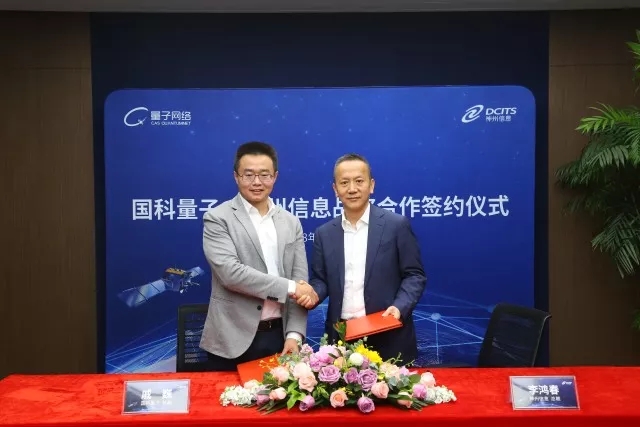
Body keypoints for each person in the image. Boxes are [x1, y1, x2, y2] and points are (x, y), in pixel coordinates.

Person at [199, 141, 317, 371]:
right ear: (236, 176)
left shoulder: (290, 222)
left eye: (264, 175)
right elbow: (231, 274)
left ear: (275, 177)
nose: (256, 182)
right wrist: (292, 287)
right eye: (248, 175)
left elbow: (300, 278)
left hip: (279, 338)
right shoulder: (217, 218)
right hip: (231, 340)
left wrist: (294, 335)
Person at [299, 153, 427, 364]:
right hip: (341, 339)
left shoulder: (396, 225)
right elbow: (321, 279)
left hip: (387, 333)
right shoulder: (324, 233)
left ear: (371, 185)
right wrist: (312, 294)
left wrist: (399, 307)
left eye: (359, 181)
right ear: (335, 189)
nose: (352, 189)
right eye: (344, 183)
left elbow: (414, 275)